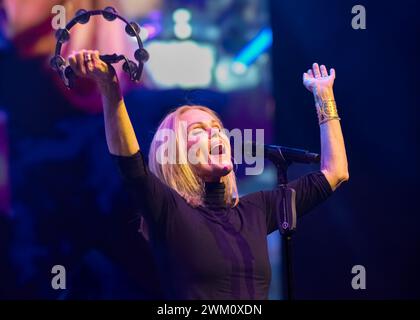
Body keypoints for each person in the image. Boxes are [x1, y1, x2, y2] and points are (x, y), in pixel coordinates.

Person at [67, 49, 349, 299]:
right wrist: (110, 89)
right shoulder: (170, 211)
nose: (217, 134)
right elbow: (130, 164)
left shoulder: (255, 210)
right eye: (199, 131)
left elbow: (335, 172)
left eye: (217, 128)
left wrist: (324, 97)